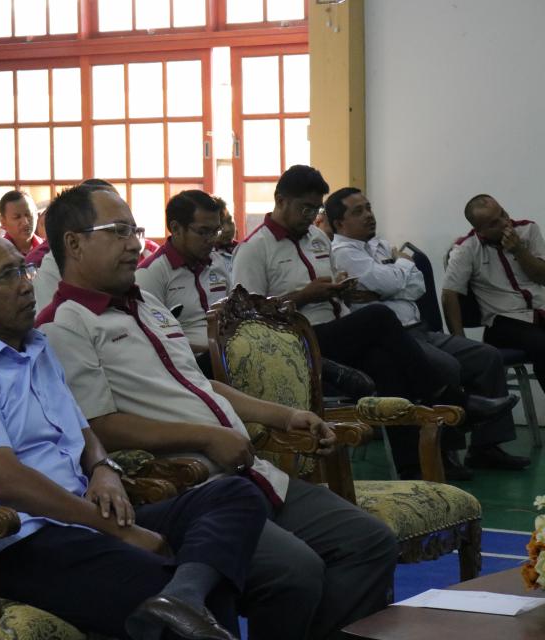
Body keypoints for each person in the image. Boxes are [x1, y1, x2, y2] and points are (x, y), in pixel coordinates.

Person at [36, 184, 397, 640]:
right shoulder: (63, 323)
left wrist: (282, 416)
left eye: (135, 230)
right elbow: (100, 425)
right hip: (192, 488)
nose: (134, 244)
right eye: (120, 231)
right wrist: (205, 437)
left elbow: (198, 382)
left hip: (249, 471)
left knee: (368, 542)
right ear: (73, 242)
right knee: (295, 572)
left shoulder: (144, 303)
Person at [0, 220, 268, 639]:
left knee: (233, 493)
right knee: (180, 585)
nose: (26, 285)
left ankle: (184, 595)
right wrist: (119, 530)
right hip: (16, 543)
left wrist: (102, 468)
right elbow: (5, 481)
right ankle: (183, 596)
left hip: (80, 517)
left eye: (23, 269)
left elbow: (80, 427)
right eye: (7, 276)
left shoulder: (34, 348)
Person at [230, 166, 515, 473]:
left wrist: (340, 290)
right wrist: (304, 296)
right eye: (304, 208)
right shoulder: (254, 249)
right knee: (379, 316)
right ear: (280, 200)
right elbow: (247, 319)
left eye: (315, 209)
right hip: (294, 342)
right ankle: (450, 398)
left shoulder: (316, 237)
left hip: (334, 330)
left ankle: (413, 466)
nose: (310, 215)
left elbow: (339, 283)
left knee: (386, 364)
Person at [328, 188, 526, 476]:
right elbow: (392, 282)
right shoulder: (343, 253)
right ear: (339, 224)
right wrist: (403, 266)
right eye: (357, 211)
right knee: (447, 367)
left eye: (368, 207)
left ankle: (486, 448)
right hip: (394, 340)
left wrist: (387, 286)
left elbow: (416, 286)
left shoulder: (380, 245)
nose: (369, 215)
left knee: (487, 357)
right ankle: (443, 455)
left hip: (421, 330)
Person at [443, 194, 545, 402]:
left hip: (539, 312)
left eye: (503, 214)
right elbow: (449, 295)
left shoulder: (528, 230)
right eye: (494, 223)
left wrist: (519, 250)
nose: (505, 223)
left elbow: (542, 276)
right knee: (543, 345)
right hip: (502, 321)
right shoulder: (466, 249)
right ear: (480, 230)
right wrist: (460, 341)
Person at [136, 190, 231, 357]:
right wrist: (212, 349)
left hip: (230, 354)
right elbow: (149, 339)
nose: (211, 239)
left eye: (215, 231)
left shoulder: (217, 262)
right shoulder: (150, 274)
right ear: (176, 228)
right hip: (188, 363)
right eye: (203, 232)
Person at [0, 190, 42, 256]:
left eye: (28, 215)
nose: (25, 222)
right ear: (3, 221)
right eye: (17, 217)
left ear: (36, 215)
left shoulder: (47, 249)